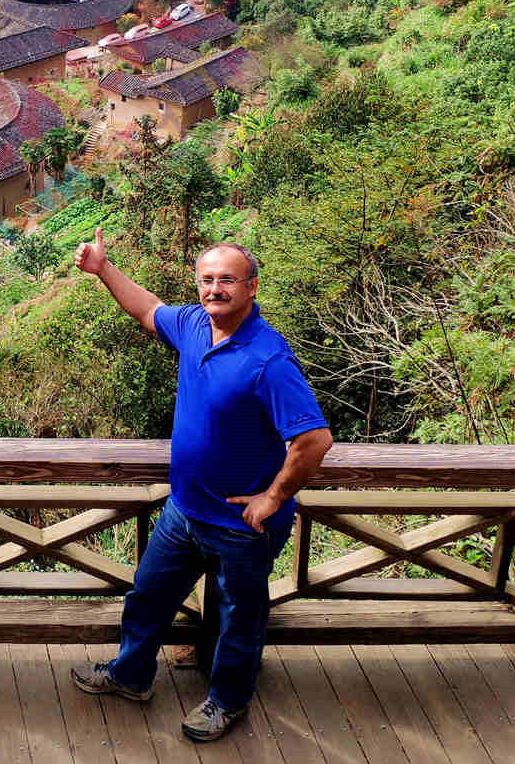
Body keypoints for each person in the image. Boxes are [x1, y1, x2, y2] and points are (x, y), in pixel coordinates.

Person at [68, 229, 333, 742]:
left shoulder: (267, 359)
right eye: (207, 280)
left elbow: (314, 440)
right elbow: (148, 309)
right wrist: (103, 270)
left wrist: (273, 496)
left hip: (240, 525)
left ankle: (226, 701)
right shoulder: (193, 325)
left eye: (227, 280)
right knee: (148, 595)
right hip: (184, 511)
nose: (215, 289)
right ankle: (131, 674)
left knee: (238, 620)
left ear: (252, 287)